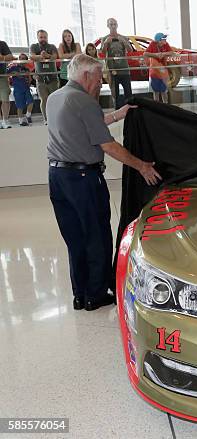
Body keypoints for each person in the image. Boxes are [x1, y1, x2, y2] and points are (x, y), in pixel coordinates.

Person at [46, 54, 161, 311]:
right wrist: (141, 166)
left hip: (57, 178)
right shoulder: (84, 101)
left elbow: (84, 126)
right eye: (99, 78)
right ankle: (96, 295)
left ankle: (80, 294)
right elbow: (107, 145)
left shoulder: (55, 98)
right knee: (96, 236)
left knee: (75, 238)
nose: (102, 83)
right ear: (86, 75)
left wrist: (118, 115)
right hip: (83, 179)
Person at [101, 18, 133, 109]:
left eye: (114, 24)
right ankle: (117, 113)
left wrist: (124, 42)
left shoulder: (123, 37)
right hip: (112, 70)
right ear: (108, 26)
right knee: (115, 94)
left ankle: (131, 112)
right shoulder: (104, 38)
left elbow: (130, 50)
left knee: (128, 93)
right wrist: (106, 43)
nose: (113, 26)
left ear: (117, 25)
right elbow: (103, 53)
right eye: (111, 24)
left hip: (124, 69)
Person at [30, 29, 60, 124]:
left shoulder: (52, 46)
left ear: (47, 37)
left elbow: (55, 56)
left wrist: (47, 55)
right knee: (44, 99)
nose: (43, 39)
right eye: (41, 37)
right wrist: (41, 56)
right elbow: (32, 56)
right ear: (38, 37)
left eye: (45, 37)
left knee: (54, 99)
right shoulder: (33, 46)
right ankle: (46, 119)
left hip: (53, 78)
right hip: (40, 79)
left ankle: (56, 117)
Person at [144, 32, 175, 103]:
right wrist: (155, 55)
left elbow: (171, 52)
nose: (165, 40)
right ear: (159, 40)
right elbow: (145, 54)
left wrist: (163, 54)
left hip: (163, 71)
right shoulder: (152, 44)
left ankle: (166, 106)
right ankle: (156, 107)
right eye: (163, 39)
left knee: (164, 91)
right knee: (156, 91)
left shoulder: (166, 44)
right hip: (154, 71)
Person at [7, 54, 34, 126]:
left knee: (31, 102)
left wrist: (28, 77)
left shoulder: (27, 69)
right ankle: (21, 121)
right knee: (20, 106)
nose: (22, 60)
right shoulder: (13, 67)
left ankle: (28, 115)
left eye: (24, 58)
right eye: (20, 58)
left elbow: (30, 79)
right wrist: (13, 73)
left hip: (26, 88)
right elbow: (6, 73)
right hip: (18, 89)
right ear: (18, 59)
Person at [0, 39, 15, 129]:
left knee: (5, 99)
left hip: (2, 76)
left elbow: (10, 56)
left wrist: (2, 57)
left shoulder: (2, 44)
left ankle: (5, 120)